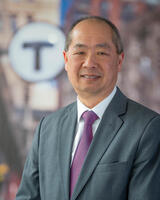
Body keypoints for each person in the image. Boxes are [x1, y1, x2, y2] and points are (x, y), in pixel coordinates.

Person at [15, 16, 160, 200]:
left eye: (101, 53)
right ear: (66, 60)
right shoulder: (47, 128)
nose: (89, 63)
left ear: (119, 60)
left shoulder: (148, 128)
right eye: (80, 52)